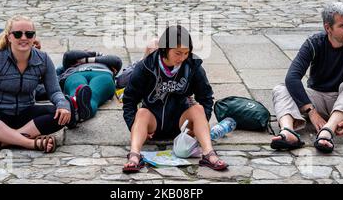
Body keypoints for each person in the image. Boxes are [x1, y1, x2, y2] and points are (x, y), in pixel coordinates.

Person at [271, 2, 343, 153]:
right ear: (328, 28)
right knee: (280, 89)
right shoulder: (314, 44)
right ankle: (288, 132)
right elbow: (292, 78)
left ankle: (327, 132)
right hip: (319, 99)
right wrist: (311, 112)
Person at [0, 16, 71, 154]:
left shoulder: (43, 59)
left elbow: (54, 91)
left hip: (26, 114)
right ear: (9, 37)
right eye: (17, 34)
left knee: (61, 114)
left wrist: (63, 105)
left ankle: (2, 141)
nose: (23, 38)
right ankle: (31, 143)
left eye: (29, 34)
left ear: (34, 37)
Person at [122, 25, 228, 173]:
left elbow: (206, 98)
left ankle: (208, 154)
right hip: (153, 122)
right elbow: (129, 100)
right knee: (141, 113)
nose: (182, 58)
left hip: (181, 122)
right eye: (178, 53)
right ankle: (134, 155)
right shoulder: (145, 66)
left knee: (198, 109)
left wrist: (195, 129)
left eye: (186, 53)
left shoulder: (192, 66)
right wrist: (133, 126)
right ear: (165, 49)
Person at [57, 50, 122, 128]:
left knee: (93, 93)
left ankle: (75, 113)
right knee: (76, 88)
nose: (88, 51)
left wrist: (84, 60)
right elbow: (68, 55)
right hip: (75, 74)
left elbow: (116, 60)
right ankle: (78, 111)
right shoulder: (65, 65)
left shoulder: (75, 62)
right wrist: (95, 56)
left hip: (102, 74)